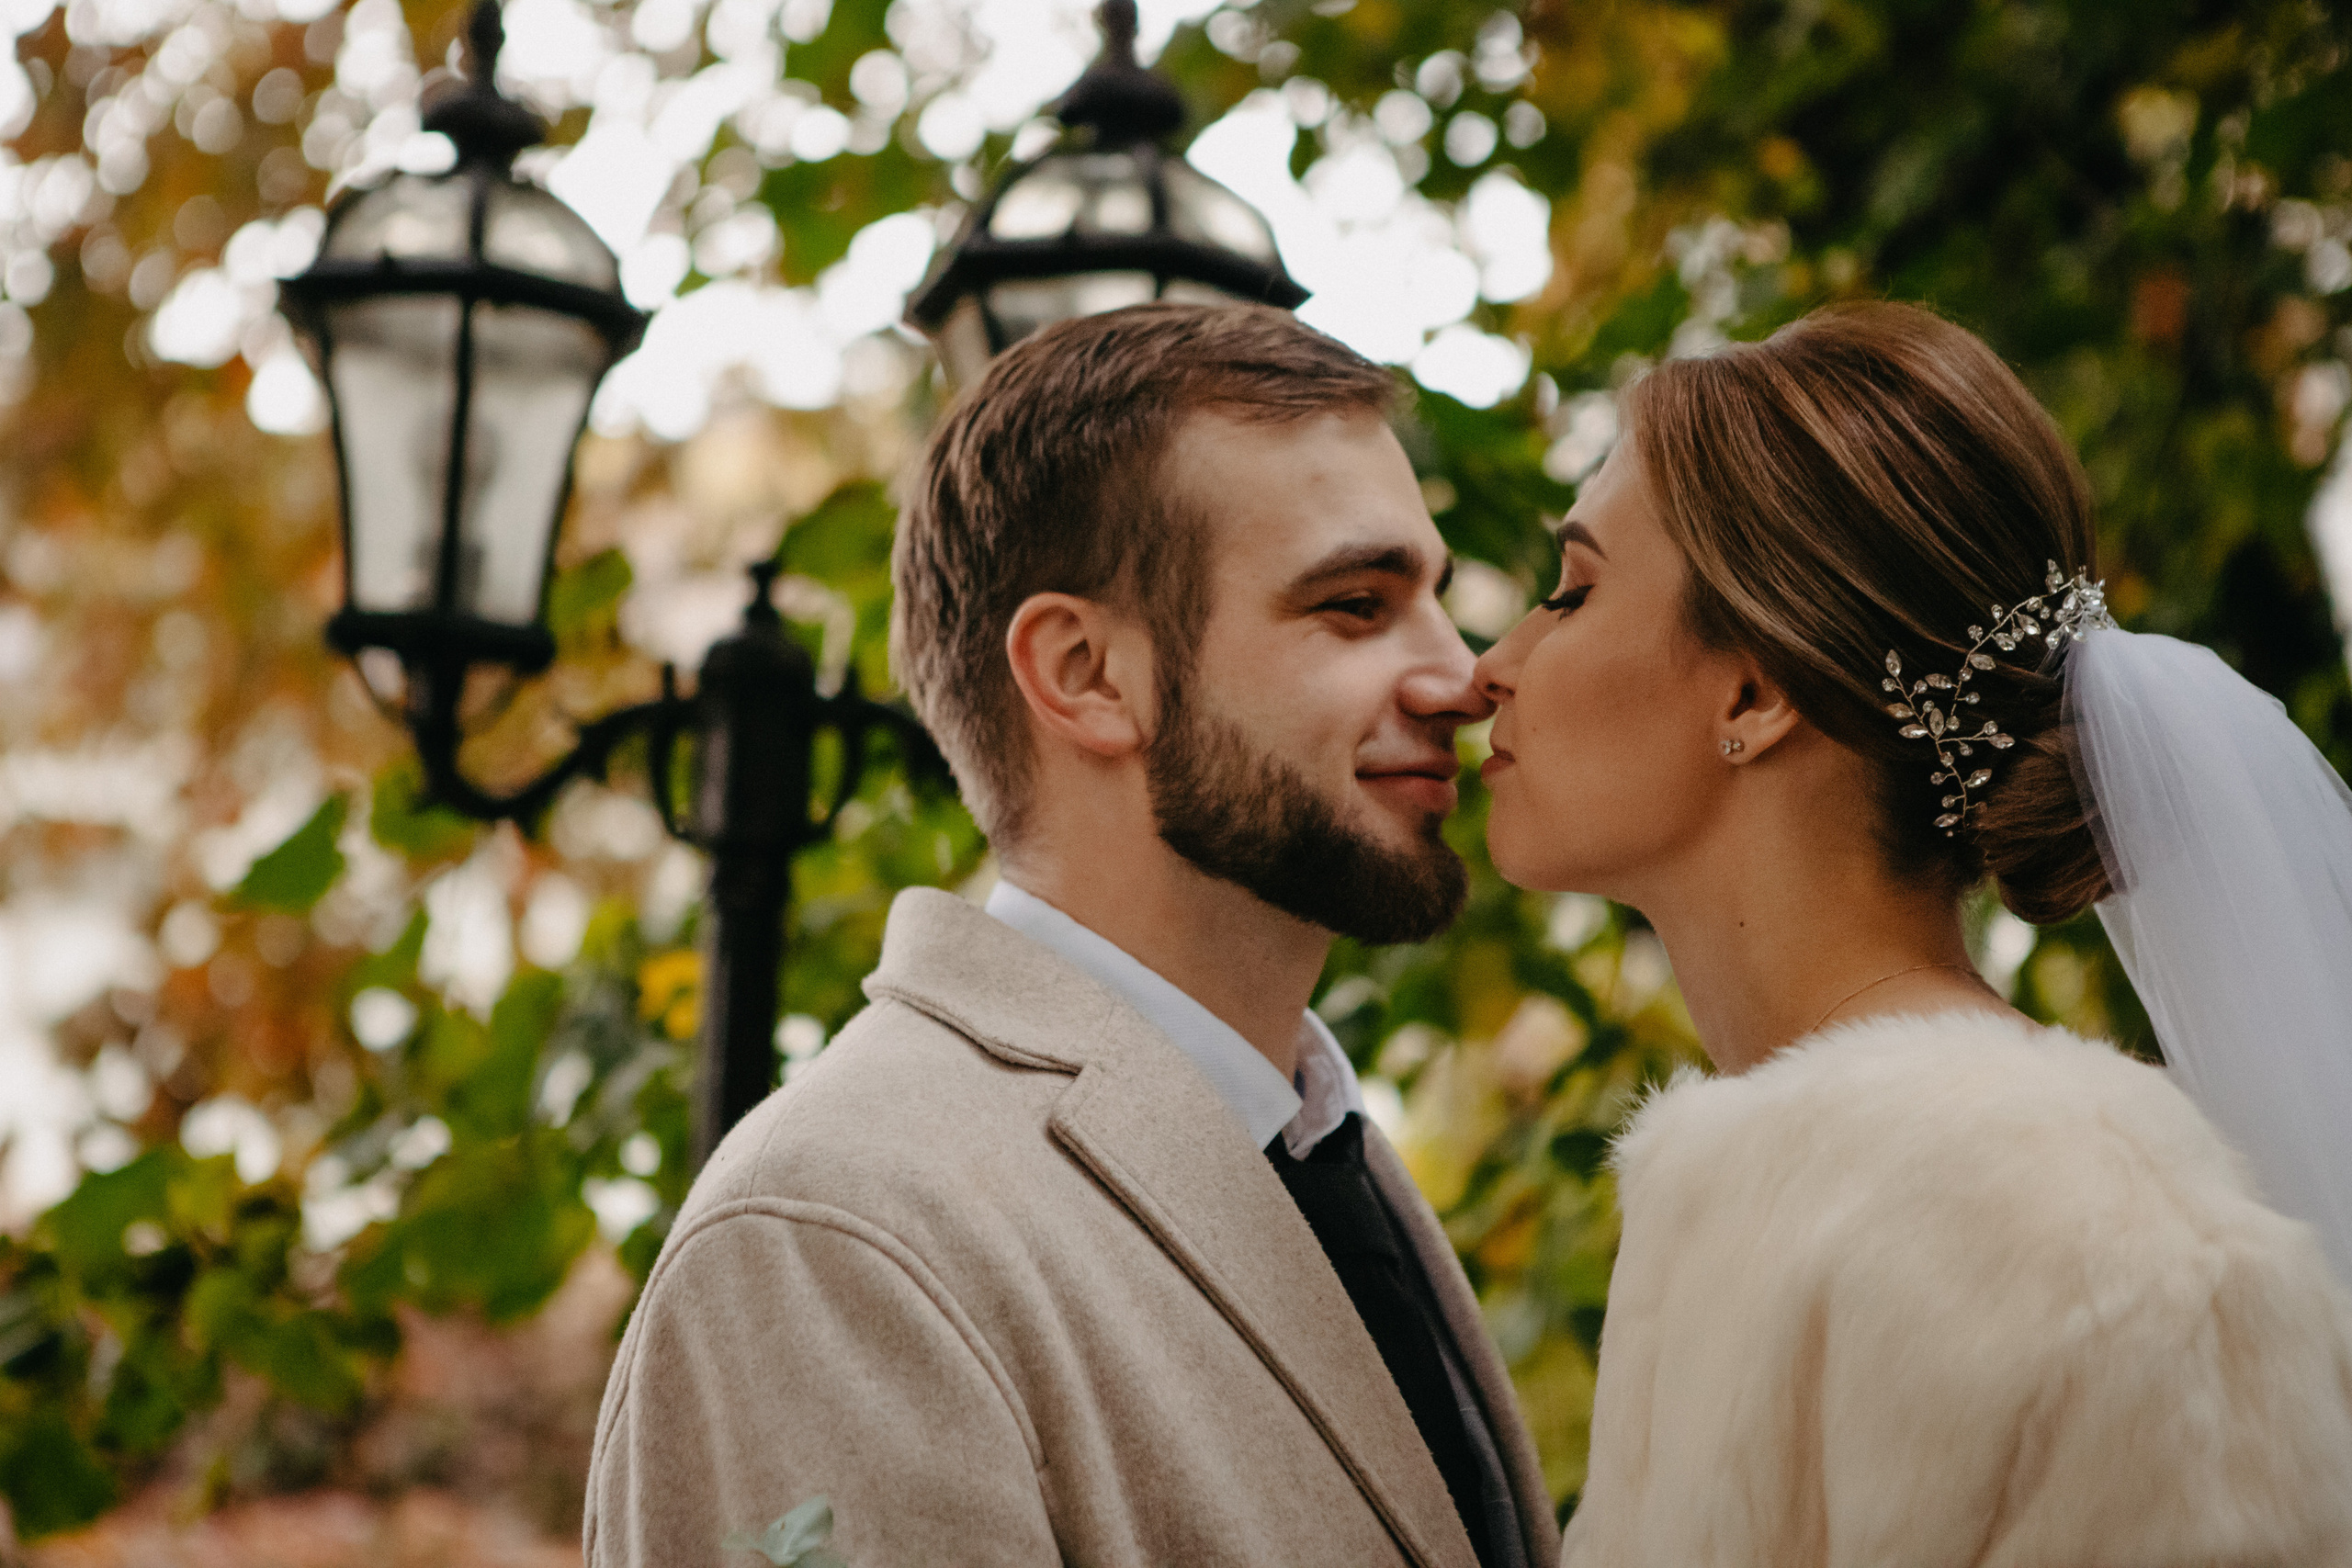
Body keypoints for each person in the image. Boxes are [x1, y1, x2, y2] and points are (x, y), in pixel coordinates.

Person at [585, 302, 1558, 1568]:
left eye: (1435, 598)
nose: (1461, 676)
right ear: (1088, 674)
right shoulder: (833, 1239)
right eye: (1356, 606)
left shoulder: (1322, 1155)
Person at [1473, 300, 2352, 1564]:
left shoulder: (2094, 1237)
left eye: (1569, 593)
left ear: (1754, 691)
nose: (1489, 663)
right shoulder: (1742, 1193)